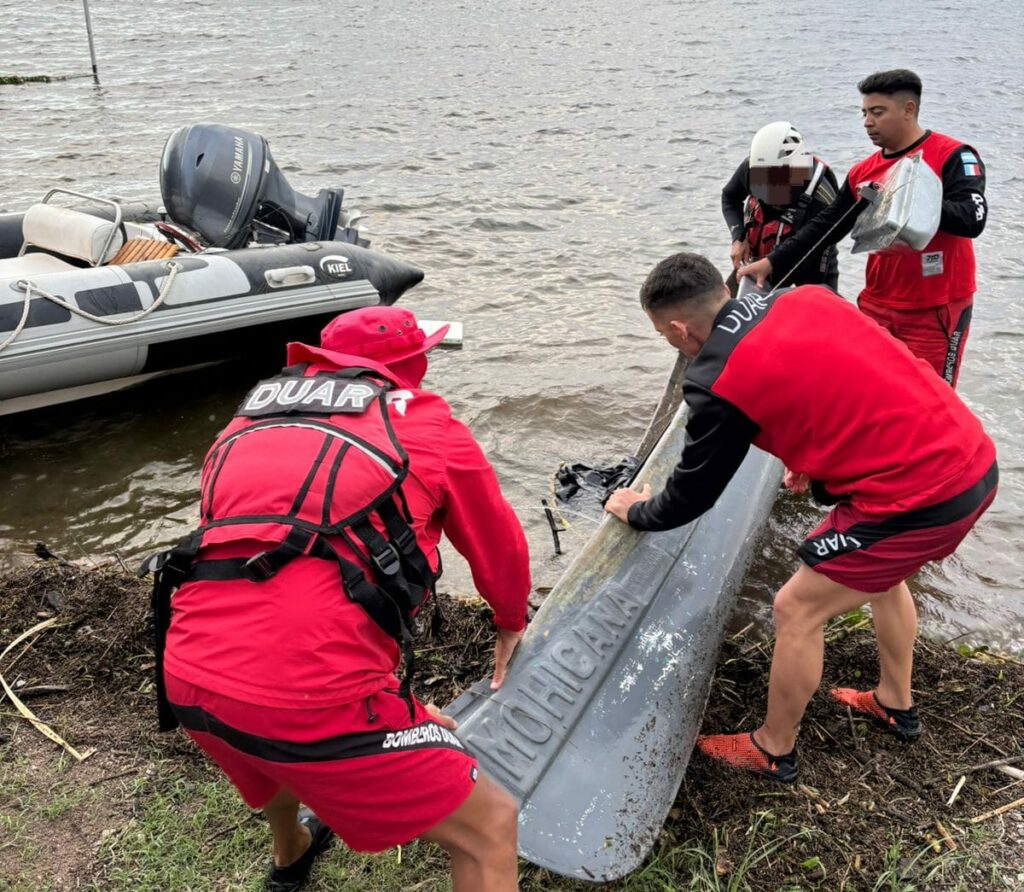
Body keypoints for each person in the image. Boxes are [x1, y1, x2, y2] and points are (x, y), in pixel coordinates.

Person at [149, 306, 530, 891]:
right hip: (308, 696)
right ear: (414, 364)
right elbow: (497, 541)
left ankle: (291, 851)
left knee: (266, 748)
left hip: (190, 676)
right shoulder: (428, 424)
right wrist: (509, 619)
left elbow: (246, 557)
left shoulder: (245, 423)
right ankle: (347, 760)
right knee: (491, 826)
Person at [605, 252, 997, 783]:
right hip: (971, 460)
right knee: (882, 574)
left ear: (679, 329)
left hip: (921, 497)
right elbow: (845, 375)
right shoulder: (802, 296)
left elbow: (691, 497)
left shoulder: (714, 379)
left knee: (796, 608)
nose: (671, 344)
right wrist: (810, 458)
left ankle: (773, 749)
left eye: (664, 336)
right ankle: (894, 702)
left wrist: (637, 510)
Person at [739, 70, 987, 388]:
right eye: (865, 113)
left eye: (878, 112)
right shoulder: (863, 172)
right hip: (877, 305)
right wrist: (772, 262)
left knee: (930, 400)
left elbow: (973, 219)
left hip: (935, 310)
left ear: (908, 109)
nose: (867, 122)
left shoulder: (954, 156)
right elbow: (827, 227)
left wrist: (901, 199)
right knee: (870, 391)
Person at [722, 121, 839, 292]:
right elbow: (729, 198)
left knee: (817, 305)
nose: (770, 191)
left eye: (779, 180)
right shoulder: (750, 169)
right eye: (763, 180)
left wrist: (771, 264)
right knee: (729, 308)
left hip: (810, 254)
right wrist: (738, 237)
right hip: (759, 254)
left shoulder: (822, 196)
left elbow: (807, 244)